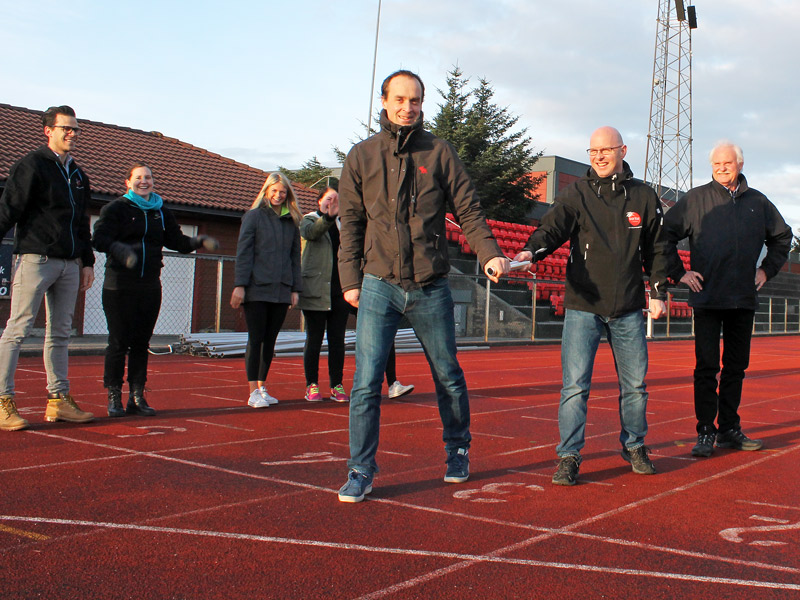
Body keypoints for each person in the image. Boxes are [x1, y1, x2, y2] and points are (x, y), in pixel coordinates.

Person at [336, 69, 509, 502]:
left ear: (422, 104)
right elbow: (351, 224)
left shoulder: (440, 151)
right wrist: (349, 280)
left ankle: (457, 450)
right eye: (400, 99)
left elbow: (468, 208)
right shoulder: (362, 156)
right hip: (378, 284)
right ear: (383, 100)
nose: (407, 107)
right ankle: (360, 470)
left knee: (448, 375)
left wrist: (488, 253)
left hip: (431, 285)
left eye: (415, 100)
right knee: (365, 383)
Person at [514, 126, 669, 486]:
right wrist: (528, 252)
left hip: (628, 307)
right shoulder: (576, 195)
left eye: (606, 150)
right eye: (593, 151)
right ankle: (568, 456)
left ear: (622, 150)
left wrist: (658, 292)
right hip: (583, 304)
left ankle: (634, 446)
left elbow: (659, 249)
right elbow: (550, 230)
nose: (599, 156)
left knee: (635, 387)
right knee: (575, 387)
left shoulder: (644, 197)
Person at [663, 142, 791, 458]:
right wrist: (680, 273)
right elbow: (663, 234)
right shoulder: (695, 199)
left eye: (728, 163)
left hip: (743, 299)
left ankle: (729, 429)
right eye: (717, 163)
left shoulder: (758, 202)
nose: (722, 167)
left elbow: (782, 238)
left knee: (735, 367)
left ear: (740, 164)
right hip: (707, 298)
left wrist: (766, 270)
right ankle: (705, 431)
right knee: (706, 367)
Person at [92, 163, 219, 417]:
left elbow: (177, 242)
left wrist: (199, 241)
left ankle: (137, 396)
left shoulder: (161, 211)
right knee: (118, 342)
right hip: (119, 284)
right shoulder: (115, 208)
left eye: (148, 177)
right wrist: (121, 250)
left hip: (150, 284)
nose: (144, 181)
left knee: (141, 342)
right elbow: (99, 239)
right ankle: (114, 395)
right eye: (138, 178)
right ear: (128, 182)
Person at [0, 105, 95, 432]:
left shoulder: (80, 176)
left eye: (75, 129)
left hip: (70, 265)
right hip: (36, 260)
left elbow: (82, 223)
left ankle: (59, 400)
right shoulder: (32, 166)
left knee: (60, 333)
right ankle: (3, 400)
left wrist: (87, 261)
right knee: (18, 330)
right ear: (48, 130)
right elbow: (9, 208)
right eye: (65, 128)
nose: (71, 133)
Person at [231, 172, 302, 408]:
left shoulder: (291, 221)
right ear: (266, 191)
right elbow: (244, 253)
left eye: (282, 192)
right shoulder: (253, 217)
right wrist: (240, 286)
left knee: (270, 340)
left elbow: (294, 257)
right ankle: (252, 391)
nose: (278, 195)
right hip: (256, 288)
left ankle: (262, 387)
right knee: (256, 338)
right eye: (274, 191)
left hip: (281, 290)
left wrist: (294, 288)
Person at [297, 187, 352, 403]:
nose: (333, 203)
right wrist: (328, 217)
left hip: (339, 290)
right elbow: (312, 234)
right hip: (315, 289)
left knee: (338, 340)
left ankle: (336, 384)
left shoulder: (343, 225)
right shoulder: (308, 220)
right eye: (329, 199)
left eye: (337, 200)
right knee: (314, 339)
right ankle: (311, 385)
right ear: (319, 201)